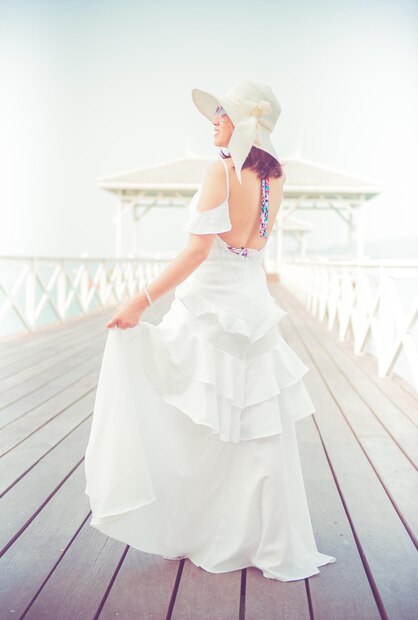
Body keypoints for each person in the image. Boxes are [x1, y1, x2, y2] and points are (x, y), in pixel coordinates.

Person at [84, 80, 336, 582]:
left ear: (244, 123)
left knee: (193, 421)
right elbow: (254, 245)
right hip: (254, 306)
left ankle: (198, 526)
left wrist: (141, 299)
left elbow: (198, 251)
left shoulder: (220, 171)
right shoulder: (274, 180)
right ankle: (257, 536)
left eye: (221, 114)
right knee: (254, 430)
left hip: (209, 307)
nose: (212, 122)